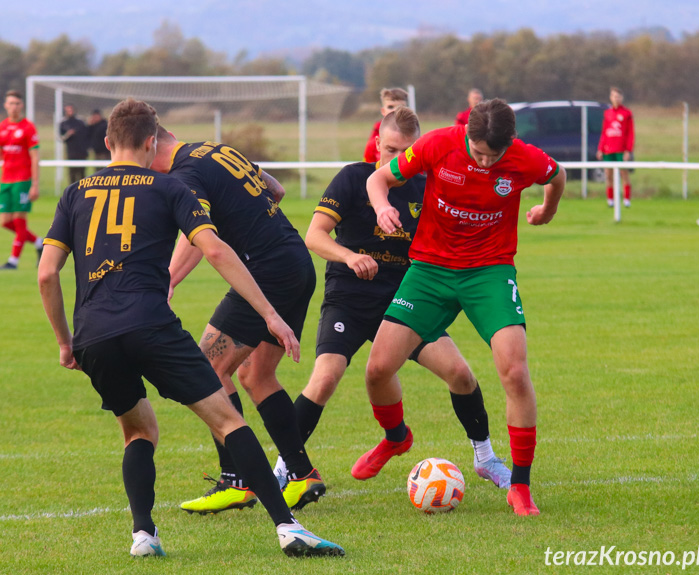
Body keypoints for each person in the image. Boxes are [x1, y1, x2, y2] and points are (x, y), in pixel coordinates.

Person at [38, 98, 344, 558]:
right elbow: (238, 226)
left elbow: (46, 274)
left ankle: (147, 533)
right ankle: (287, 521)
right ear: (151, 139)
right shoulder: (190, 170)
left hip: (94, 331)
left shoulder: (75, 193)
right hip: (178, 311)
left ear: (105, 142)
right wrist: (269, 313)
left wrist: (65, 342)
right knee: (232, 406)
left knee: (140, 431)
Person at [272, 107, 512, 490]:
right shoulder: (354, 179)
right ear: (377, 144)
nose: (393, 159)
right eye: (388, 149)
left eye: (404, 152)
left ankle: (486, 458)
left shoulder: (428, 185)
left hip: (406, 299)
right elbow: (314, 235)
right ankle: (286, 466)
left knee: (461, 374)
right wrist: (350, 256)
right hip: (349, 298)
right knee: (325, 377)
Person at [360, 98, 566, 517]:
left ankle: (520, 487)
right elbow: (378, 180)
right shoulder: (438, 145)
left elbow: (556, 175)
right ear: (467, 137)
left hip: (488, 272)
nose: (486, 162)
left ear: (510, 144)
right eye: (478, 153)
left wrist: (547, 209)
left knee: (514, 369)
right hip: (430, 271)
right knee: (378, 370)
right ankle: (396, 436)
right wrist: (383, 207)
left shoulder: (525, 158)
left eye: (495, 155)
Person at [151, 128, 326, 515]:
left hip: (268, 272)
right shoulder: (214, 149)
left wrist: (167, 280)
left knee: (208, 367)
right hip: (295, 261)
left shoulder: (183, 175)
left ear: (150, 146)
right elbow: (276, 190)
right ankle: (302, 473)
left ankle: (236, 480)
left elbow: (204, 239)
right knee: (255, 376)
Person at [0, 89, 44, 270]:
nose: (14, 107)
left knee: (19, 220)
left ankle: (13, 261)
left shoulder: (28, 127)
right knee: (5, 222)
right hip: (5, 180)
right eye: (11, 103)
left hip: (22, 180)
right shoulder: (1, 127)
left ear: (21, 105)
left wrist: (35, 184)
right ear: (5, 106)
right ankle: (40, 243)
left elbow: (35, 157)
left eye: (17, 103)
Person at [596, 87, 634, 207]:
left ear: (622, 98)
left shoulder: (627, 113)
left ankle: (627, 199)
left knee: (624, 174)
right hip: (608, 149)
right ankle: (610, 200)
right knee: (608, 175)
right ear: (610, 98)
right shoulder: (607, 113)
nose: (616, 99)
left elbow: (630, 133)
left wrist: (628, 150)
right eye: (614, 96)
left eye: (618, 96)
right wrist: (600, 148)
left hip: (621, 149)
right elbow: (604, 132)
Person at [363, 87, 409, 163]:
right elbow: (367, 169)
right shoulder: (373, 143)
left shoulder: (414, 139)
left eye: (400, 107)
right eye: (390, 107)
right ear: (383, 111)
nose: (395, 110)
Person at [59, 104, 89, 184]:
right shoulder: (63, 123)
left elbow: (87, 134)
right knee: (72, 174)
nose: (70, 112)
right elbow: (61, 138)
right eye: (68, 110)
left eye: (71, 110)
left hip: (82, 152)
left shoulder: (80, 122)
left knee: (82, 173)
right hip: (71, 153)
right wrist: (68, 134)